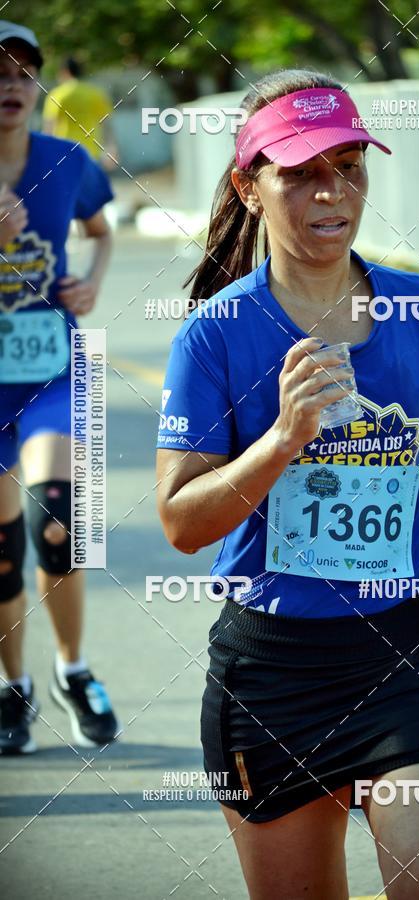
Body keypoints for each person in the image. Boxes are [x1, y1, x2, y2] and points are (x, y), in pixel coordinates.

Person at [156, 69, 419, 899]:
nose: (333, 191)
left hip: (415, 648)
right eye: (303, 171)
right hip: (274, 671)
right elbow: (180, 522)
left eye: (350, 165)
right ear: (250, 186)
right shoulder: (217, 336)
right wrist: (280, 442)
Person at [0, 21, 119, 754]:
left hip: (47, 368)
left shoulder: (68, 161)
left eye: (21, 72)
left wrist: (89, 285)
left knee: (57, 519)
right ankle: (12, 688)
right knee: (1, 551)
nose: (8, 85)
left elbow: (102, 230)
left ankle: (73, 669)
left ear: (38, 86)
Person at [42, 56, 118, 170]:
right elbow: (106, 124)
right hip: (91, 153)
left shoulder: (57, 95)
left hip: (64, 154)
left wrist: (44, 155)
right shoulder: (95, 94)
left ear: (65, 72)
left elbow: (48, 129)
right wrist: (112, 149)